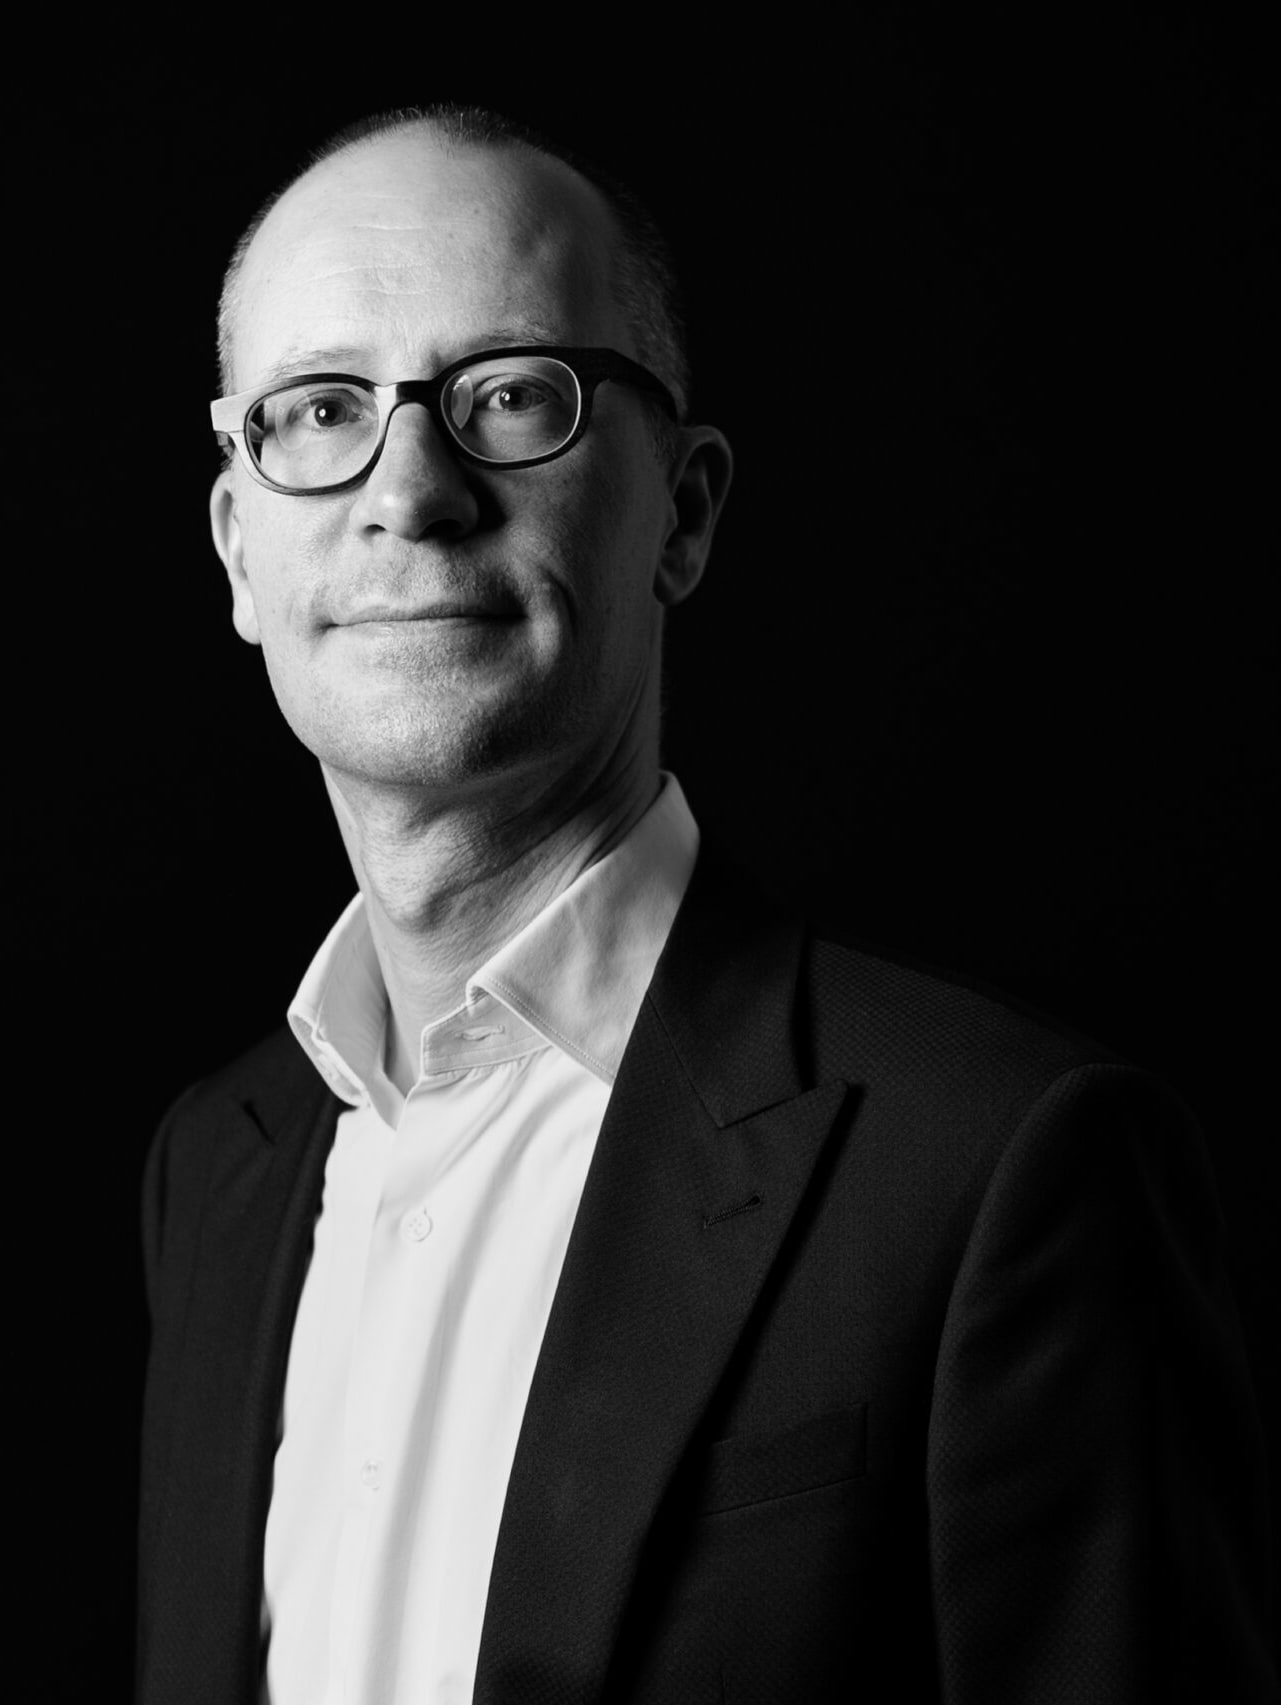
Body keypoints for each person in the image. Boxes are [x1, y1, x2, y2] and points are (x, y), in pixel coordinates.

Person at [134, 106, 1274, 1704]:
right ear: (239, 553)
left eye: (508, 394)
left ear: (683, 511)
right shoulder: (216, 1170)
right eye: (319, 410)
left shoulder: (998, 1162)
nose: (410, 490)